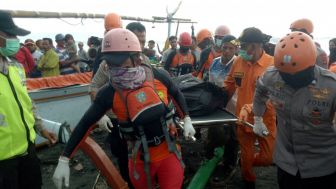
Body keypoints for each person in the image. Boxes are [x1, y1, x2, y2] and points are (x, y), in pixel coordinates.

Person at [52, 28, 195, 189]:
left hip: (169, 154)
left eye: (119, 61)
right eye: (110, 61)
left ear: (137, 58)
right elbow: (85, 124)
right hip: (139, 159)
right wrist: (64, 159)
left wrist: (187, 118)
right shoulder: (108, 93)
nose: (113, 65)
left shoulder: (156, 75)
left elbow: (176, 92)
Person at [253, 31, 336, 189]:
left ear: (312, 64)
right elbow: (260, 90)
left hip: (322, 164)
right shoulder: (272, 76)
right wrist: (258, 118)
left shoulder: (331, 85)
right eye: (286, 76)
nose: (291, 79)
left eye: (297, 75)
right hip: (287, 162)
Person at [0, 10, 56, 189]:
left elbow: (26, 103)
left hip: (27, 149)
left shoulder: (16, 67)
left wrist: (41, 128)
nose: (15, 39)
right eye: (9, 34)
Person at [223, 27, 276, 189]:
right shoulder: (239, 61)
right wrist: (215, 100)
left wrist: (252, 107)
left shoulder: (272, 65)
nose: (241, 50)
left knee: (268, 158)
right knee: (246, 157)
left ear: (256, 45)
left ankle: (245, 162)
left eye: (244, 46)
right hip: (243, 120)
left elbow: (276, 96)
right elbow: (229, 84)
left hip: (265, 120)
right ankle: (248, 180)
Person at [206, 34, 240, 182]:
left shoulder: (239, 63)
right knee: (213, 133)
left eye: (230, 48)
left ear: (236, 49)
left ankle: (229, 165)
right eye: (225, 47)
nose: (227, 51)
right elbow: (210, 83)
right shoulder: (214, 63)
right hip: (217, 106)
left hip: (234, 106)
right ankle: (209, 158)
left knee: (233, 138)